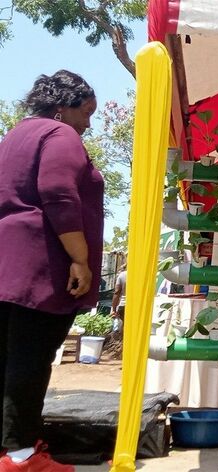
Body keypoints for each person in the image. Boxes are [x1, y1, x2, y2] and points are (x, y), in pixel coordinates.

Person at [0, 70, 103, 472]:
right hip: (39, 265)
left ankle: (9, 449)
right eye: (86, 112)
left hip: (7, 264)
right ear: (62, 107)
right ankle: (21, 455)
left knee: (8, 358)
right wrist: (80, 258)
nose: (88, 123)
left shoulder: (15, 136)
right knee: (30, 359)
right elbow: (58, 192)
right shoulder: (60, 134)